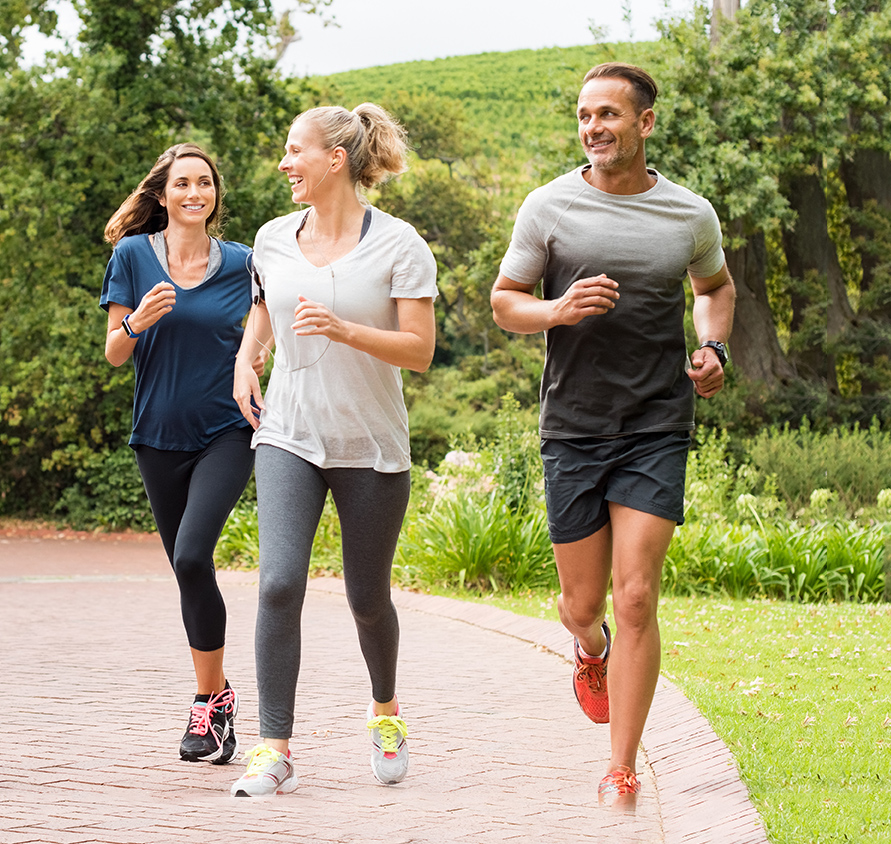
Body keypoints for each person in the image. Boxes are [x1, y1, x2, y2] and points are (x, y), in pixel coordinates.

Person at [491, 62, 735, 803]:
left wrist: (713, 347)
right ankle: (586, 649)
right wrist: (557, 310)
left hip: (656, 420)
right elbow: (505, 302)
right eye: (583, 115)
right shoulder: (548, 207)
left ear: (644, 123)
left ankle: (620, 767)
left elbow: (713, 288)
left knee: (636, 596)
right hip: (572, 425)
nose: (593, 127)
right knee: (583, 605)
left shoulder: (688, 215)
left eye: (608, 114)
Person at [229, 103, 437, 797]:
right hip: (288, 434)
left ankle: (385, 711)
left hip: (371, 447)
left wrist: (346, 330)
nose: (284, 164)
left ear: (335, 160)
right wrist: (245, 361)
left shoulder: (399, 244)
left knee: (367, 598)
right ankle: (273, 747)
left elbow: (420, 350)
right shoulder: (271, 237)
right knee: (278, 582)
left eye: (295, 151)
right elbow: (263, 310)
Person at [101, 143, 263, 766]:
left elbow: (263, 324)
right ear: (162, 194)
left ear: (214, 194)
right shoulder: (133, 256)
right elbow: (115, 352)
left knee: (194, 551)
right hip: (157, 435)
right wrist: (138, 320)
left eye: (204, 183)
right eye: (182, 184)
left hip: (229, 428)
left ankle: (204, 702)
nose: (194, 193)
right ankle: (219, 698)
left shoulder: (244, 262)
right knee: (188, 569)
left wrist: (254, 357)